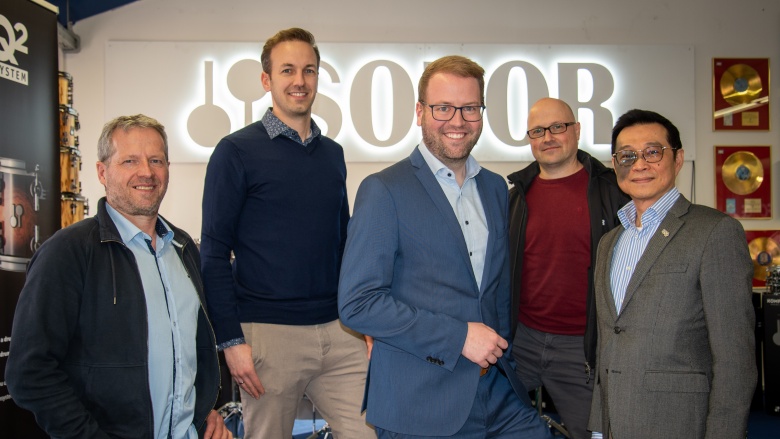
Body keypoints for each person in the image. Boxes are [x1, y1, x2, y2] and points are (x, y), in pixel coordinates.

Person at [338, 55, 552, 439]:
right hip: (421, 405)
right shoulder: (384, 190)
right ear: (420, 112)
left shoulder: (494, 188)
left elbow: (496, 291)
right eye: (443, 108)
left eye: (469, 108)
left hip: (499, 395)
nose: (457, 121)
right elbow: (358, 303)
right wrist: (459, 337)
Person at [5, 114, 229, 439]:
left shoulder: (183, 249)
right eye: (129, 161)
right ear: (102, 172)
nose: (146, 172)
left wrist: (203, 409)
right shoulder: (67, 253)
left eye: (156, 160)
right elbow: (29, 372)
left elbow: (190, 354)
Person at [200, 28, 374, 439]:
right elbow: (213, 253)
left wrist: (363, 320)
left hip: (339, 331)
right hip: (269, 335)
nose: (300, 80)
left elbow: (343, 244)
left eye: (309, 70)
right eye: (288, 70)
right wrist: (231, 341)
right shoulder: (235, 151)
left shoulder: (332, 154)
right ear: (267, 80)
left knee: (372, 432)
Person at [588, 109, 756, 438]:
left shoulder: (715, 232)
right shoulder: (609, 243)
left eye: (653, 152)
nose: (639, 164)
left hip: (680, 424)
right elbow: (608, 345)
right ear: (615, 165)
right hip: (614, 424)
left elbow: (735, 360)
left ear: (677, 160)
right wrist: (598, 429)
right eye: (627, 155)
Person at [507, 98, 629, 438]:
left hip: (582, 348)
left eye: (557, 127)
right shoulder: (515, 197)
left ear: (576, 130)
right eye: (537, 131)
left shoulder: (613, 192)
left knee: (593, 433)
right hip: (521, 341)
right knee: (488, 423)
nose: (547, 137)